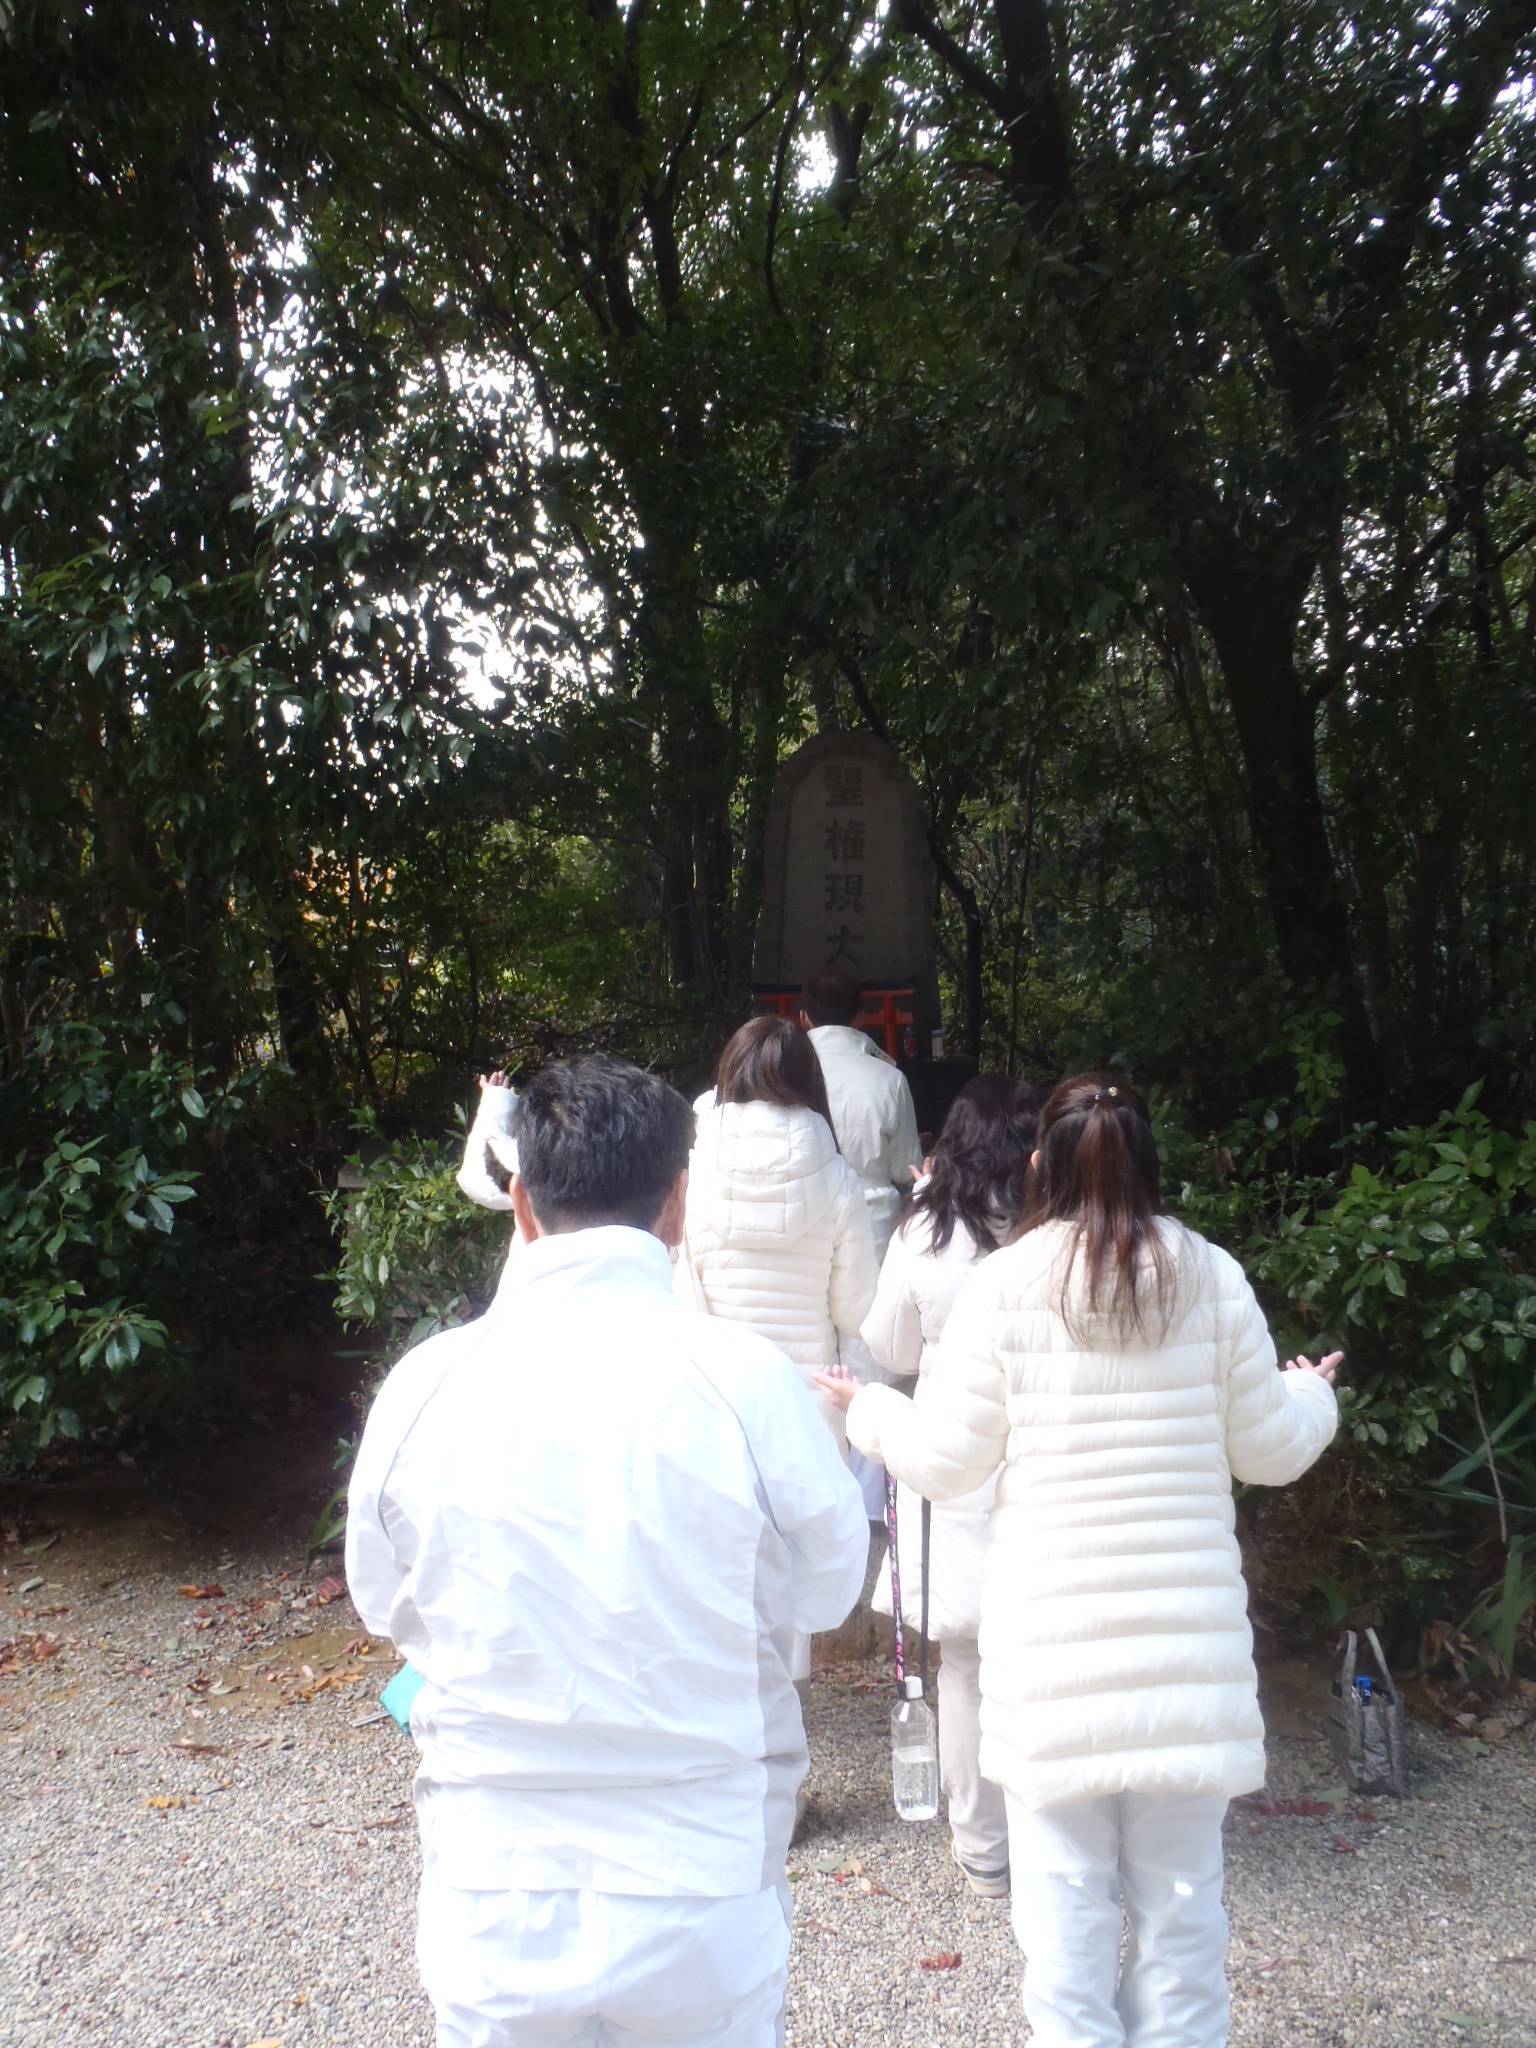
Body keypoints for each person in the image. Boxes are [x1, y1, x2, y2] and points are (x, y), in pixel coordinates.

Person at [347, 1053, 870, 2048]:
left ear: (522, 1204)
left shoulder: (425, 1385)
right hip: (699, 1875)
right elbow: (828, 1584)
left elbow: (383, 1599)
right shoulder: (747, 1379)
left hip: (494, 1879)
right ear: (678, 1205)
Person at [818, 1073, 1341, 2048]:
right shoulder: (1212, 1276)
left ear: (1037, 1167)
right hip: (1186, 1660)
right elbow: (1270, 1449)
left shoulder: (1005, 1285)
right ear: (1148, 1162)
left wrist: (869, 1409)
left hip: (1050, 1657)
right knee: (1184, 1916)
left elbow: (946, 1458)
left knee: (1062, 1920)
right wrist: (1312, 1393)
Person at [860, 1073, 1040, 1898]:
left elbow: (889, 1347)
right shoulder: (1058, 1229)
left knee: (963, 1663)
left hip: (950, 1459)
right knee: (1047, 1655)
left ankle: (984, 1849)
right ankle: (1056, 1839)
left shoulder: (927, 1230)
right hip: (1043, 1450)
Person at [682, 1014, 879, 1695]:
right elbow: (856, 1309)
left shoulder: (694, 1168)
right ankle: (784, 1714)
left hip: (713, 1393)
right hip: (805, 1398)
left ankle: (722, 1702)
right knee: (793, 1562)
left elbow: (679, 1277)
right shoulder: (837, 1176)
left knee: (716, 1554)